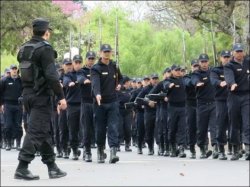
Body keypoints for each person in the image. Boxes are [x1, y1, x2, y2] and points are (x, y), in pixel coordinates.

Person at [14, 18, 67, 180]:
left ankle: (52, 167)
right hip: (41, 96)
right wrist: (61, 97)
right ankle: (22, 167)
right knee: (36, 131)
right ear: (46, 32)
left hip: (28, 95)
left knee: (43, 130)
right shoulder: (45, 49)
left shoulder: (23, 49)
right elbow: (52, 76)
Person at [90, 44, 123, 164]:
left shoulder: (114, 66)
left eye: (108, 51)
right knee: (100, 128)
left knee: (113, 127)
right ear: (100, 53)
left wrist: (120, 84)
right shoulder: (95, 68)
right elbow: (95, 83)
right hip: (100, 103)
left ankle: (113, 152)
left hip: (113, 101)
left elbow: (121, 78)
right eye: (105, 52)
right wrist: (97, 94)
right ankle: (100, 151)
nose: (107, 53)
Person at [224, 43, 250, 161]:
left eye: (241, 51)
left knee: (247, 122)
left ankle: (248, 148)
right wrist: (232, 83)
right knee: (234, 123)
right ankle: (235, 149)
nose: (240, 53)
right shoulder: (229, 65)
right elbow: (229, 77)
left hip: (246, 96)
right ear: (233, 53)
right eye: (237, 51)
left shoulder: (248, 62)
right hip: (234, 96)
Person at [191, 54, 216, 159]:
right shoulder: (196, 73)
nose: (204, 64)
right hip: (202, 105)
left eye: (206, 61)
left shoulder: (213, 72)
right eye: (202, 62)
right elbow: (194, 79)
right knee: (202, 129)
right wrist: (197, 83)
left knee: (215, 127)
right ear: (199, 63)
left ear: (208, 62)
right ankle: (202, 149)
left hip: (214, 103)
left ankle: (217, 148)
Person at [210, 50, 231, 160]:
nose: (226, 58)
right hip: (220, 101)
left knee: (235, 124)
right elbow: (213, 80)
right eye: (224, 57)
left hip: (233, 100)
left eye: (228, 57)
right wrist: (220, 82)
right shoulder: (215, 70)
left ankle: (235, 148)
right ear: (220, 58)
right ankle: (221, 149)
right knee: (221, 125)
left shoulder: (233, 68)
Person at [163, 65, 187, 158]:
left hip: (183, 107)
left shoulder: (183, 80)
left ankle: (181, 148)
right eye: (176, 70)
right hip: (172, 107)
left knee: (182, 128)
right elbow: (165, 85)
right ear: (172, 71)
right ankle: (173, 147)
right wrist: (169, 85)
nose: (178, 72)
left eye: (179, 70)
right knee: (172, 128)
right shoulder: (168, 80)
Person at [77, 51, 96, 162]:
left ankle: (100, 150)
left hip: (97, 102)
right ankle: (87, 151)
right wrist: (85, 80)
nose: (91, 60)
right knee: (86, 128)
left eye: (93, 58)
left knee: (98, 128)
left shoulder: (98, 70)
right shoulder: (82, 71)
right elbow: (79, 78)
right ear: (86, 60)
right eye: (89, 58)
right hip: (86, 102)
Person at [63, 55, 82, 160]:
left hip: (83, 104)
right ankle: (74, 150)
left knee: (84, 129)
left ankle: (85, 149)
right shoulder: (69, 75)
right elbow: (65, 80)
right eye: (76, 62)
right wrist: (69, 83)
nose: (78, 64)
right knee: (73, 129)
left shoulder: (84, 73)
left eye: (80, 62)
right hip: (72, 105)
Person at [0, 64, 23, 151]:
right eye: (12, 69)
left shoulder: (21, 80)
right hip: (8, 105)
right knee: (7, 125)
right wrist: (1, 104)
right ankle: (8, 143)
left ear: (17, 70)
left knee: (18, 125)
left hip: (18, 105)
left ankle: (18, 144)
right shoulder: (4, 80)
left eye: (15, 69)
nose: (14, 70)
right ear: (10, 70)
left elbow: (24, 91)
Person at [137, 74, 159, 155]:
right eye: (153, 79)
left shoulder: (160, 87)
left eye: (156, 78)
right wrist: (148, 102)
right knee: (148, 131)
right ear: (151, 80)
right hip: (148, 112)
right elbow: (138, 100)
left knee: (158, 131)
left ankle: (161, 147)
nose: (155, 80)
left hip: (158, 111)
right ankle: (150, 148)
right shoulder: (146, 89)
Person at [183, 59, 199, 159]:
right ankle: (192, 148)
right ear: (191, 67)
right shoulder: (187, 77)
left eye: (197, 66)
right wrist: (196, 81)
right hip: (189, 103)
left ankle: (204, 147)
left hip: (201, 103)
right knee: (191, 126)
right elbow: (188, 83)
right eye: (194, 66)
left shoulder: (203, 75)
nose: (196, 68)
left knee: (202, 126)